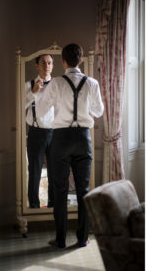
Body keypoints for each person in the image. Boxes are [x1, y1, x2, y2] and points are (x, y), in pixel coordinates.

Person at [35, 43, 104, 248]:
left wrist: (40, 94)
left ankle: (60, 239)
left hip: (61, 139)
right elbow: (99, 111)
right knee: (84, 190)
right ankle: (83, 238)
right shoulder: (92, 83)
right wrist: (84, 106)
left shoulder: (55, 83)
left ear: (63, 61)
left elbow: (40, 112)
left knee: (60, 189)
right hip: (84, 138)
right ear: (80, 60)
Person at [25, 54, 55, 208]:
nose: (47, 66)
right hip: (36, 133)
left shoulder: (58, 85)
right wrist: (33, 92)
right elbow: (19, 107)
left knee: (55, 173)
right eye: (43, 63)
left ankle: (53, 205)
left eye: (50, 63)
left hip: (56, 134)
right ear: (37, 66)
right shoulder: (28, 85)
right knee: (35, 172)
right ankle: (34, 207)